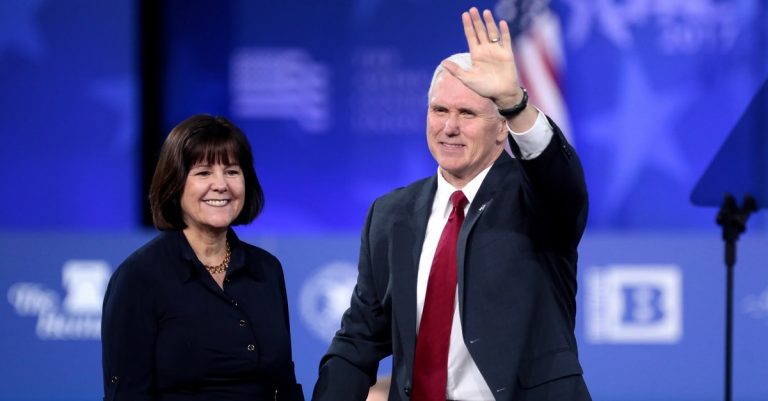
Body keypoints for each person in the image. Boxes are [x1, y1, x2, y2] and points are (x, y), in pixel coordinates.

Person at [312, 7, 590, 401]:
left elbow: (559, 180)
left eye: (467, 113)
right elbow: (357, 341)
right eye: (439, 110)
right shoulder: (390, 214)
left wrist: (515, 103)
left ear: (501, 128)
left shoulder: (536, 198)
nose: (449, 127)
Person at [101, 114, 304, 401]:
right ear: (175, 183)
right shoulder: (139, 278)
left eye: (232, 171)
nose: (221, 184)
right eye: (204, 172)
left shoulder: (267, 269)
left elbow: (284, 385)